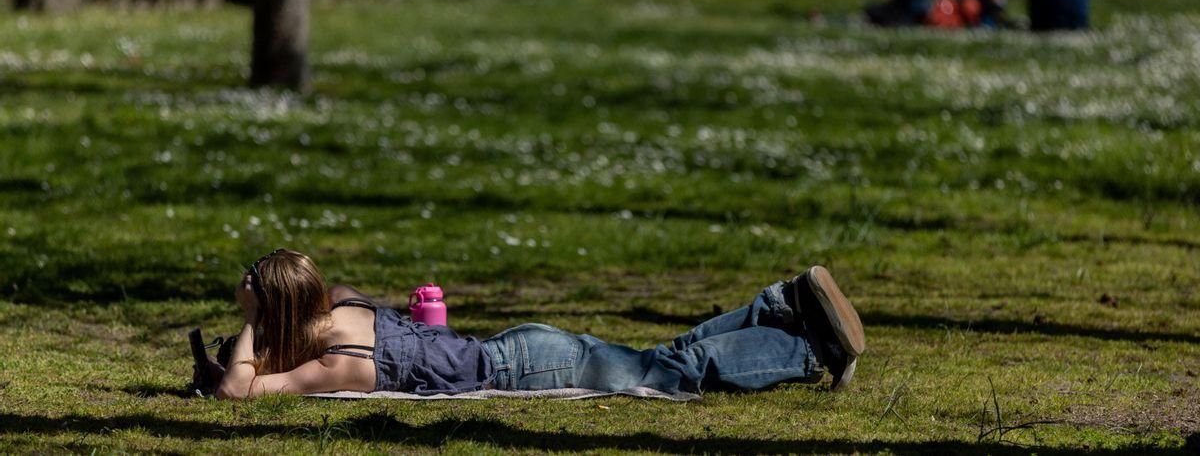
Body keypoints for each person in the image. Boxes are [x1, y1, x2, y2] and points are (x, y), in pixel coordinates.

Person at [202, 250, 866, 399]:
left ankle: (805, 349)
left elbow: (239, 391)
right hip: (521, 344)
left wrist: (252, 336)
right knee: (661, 352)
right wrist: (266, 324)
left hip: (527, 365)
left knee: (674, 372)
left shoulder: (333, 362)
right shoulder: (342, 308)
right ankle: (778, 305)